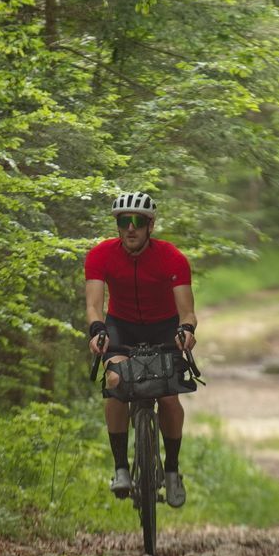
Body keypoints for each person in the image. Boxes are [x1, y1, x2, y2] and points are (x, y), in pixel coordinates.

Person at [85, 192, 198, 508]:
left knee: (169, 395)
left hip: (164, 327)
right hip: (121, 327)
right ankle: (121, 468)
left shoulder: (172, 257)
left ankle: (172, 471)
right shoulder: (100, 255)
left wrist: (187, 331)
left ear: (151, 225)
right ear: (118, 225)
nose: (130, 228)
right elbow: (94, 305)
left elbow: (187, 312)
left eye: (137, 221)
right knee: (115, 383)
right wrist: (97, 331)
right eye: (124, 221)